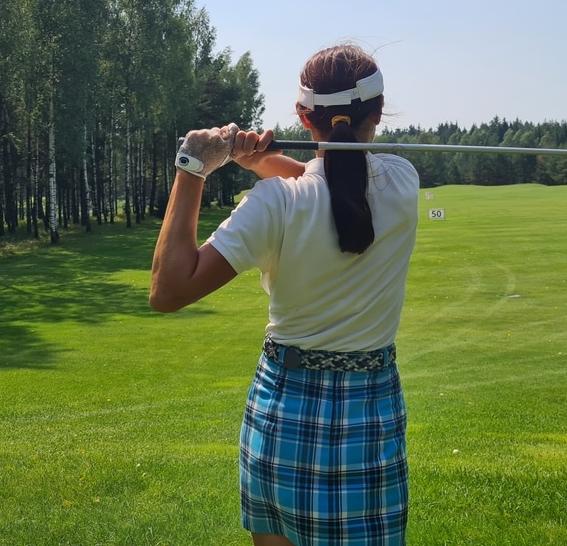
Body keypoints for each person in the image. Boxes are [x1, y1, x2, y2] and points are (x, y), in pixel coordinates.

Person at [150, 42, 420, 546]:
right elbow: (333, 185)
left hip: (282, 410)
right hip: (370, 410)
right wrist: (262, 164)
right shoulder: (403, 182)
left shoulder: (274, 203)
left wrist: (193, 168)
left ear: (302, 115)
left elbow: (168, 290)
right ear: (378, 111)